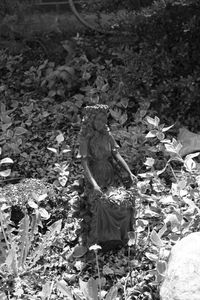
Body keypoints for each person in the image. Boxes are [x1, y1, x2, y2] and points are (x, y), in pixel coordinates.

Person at [78, 104, 137, 250]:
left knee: (124, 201)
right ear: (91, 121)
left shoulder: (107, 134)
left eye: (105, 120)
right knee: (102, 205)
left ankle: (123, 237)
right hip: (95, 175)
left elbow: (116, 154)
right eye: (99, 120)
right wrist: (95, 185)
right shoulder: (85, 137)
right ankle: (102, 239)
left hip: (111, 174)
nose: (103, 123)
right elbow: (84, 163)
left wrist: (129, 172)